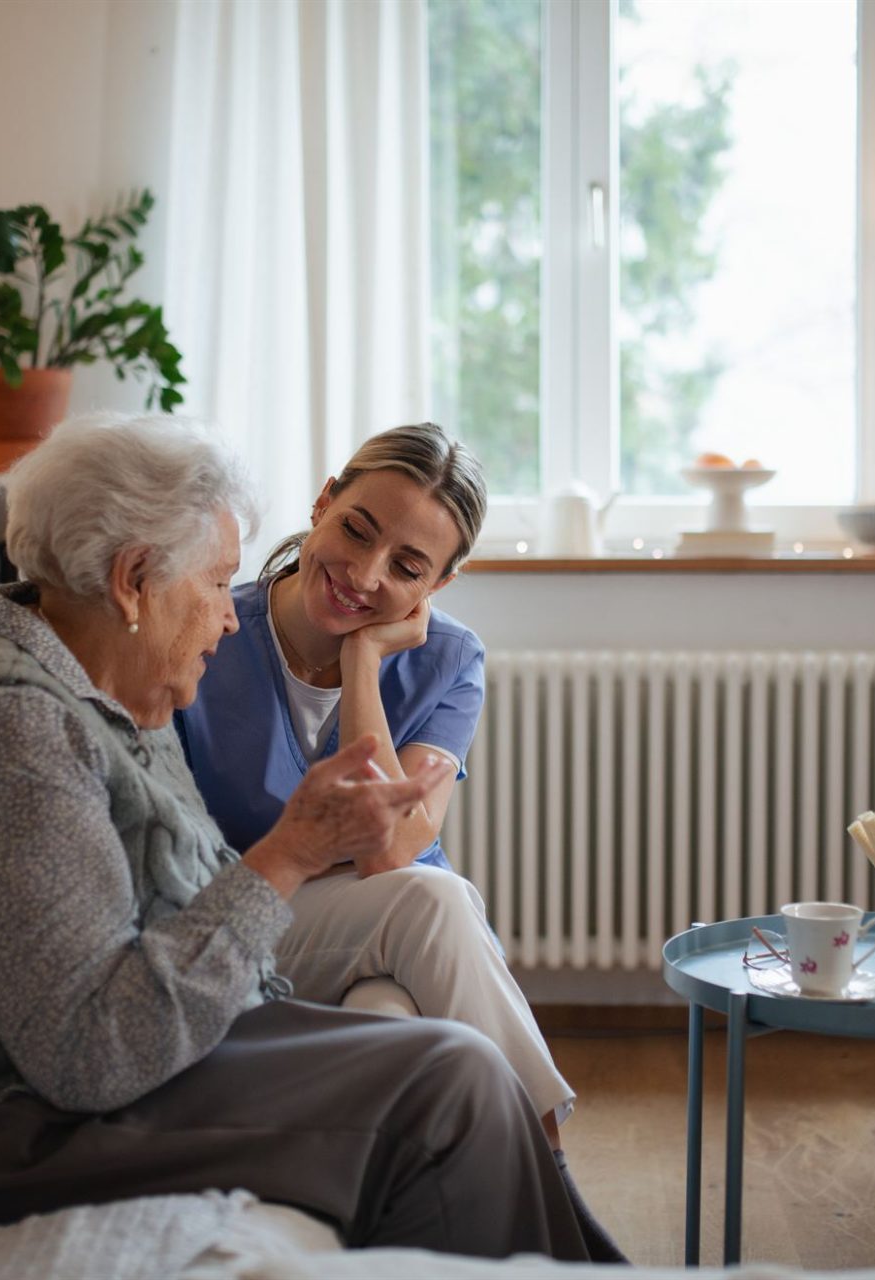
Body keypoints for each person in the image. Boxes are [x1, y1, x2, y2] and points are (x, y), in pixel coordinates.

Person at [0, 412, 589, 1261]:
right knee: (450, 1080)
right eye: (220, 583)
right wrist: (291, 852)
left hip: (82, 1074)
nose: (231, 619)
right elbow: (90, 1055)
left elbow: (177, 905)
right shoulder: (6, 728)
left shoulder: (106, 682)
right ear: (134, 580)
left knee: (440, 1057)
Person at [175, 422, 623, 1261]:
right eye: (354, 530)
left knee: (398, 1013)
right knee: (430, 897)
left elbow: (390, 848)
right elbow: (394, 862)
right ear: (323, 503)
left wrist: (362, 659)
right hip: (245, 918)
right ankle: (559, 1193)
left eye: (408, 569)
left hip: (386, 935)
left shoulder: (451, 658)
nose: (365, 575)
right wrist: (365, 643)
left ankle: (453, 1241)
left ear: (442, 582)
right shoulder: (212, 628)